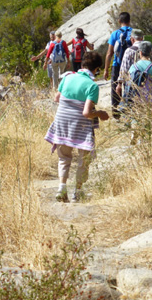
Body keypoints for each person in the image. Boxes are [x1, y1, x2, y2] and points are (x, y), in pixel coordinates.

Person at [45, 51, 110, 202]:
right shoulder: (92, 86)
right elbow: (87, 113)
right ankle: (78, 192)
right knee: (84, 160)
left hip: (62, 122)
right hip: (80, 126)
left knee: (64, 158)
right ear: (96, 69)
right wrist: (100, 113)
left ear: (82, 64)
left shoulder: (67, 78)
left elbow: (56, 98)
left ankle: (62, 188)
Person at [104, 12, 133, 118]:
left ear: (119, 21)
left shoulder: (115, 34)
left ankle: (116, 115)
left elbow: (109, 53)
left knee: (115, 89)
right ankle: (130, 113)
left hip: (117, 65)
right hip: (131, 66)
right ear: (129, 21)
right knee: (130, 89)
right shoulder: (134, 33)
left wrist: (106, 69)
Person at [116, 29, 152, 100]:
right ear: (142, 38)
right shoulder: (150, 49)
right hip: (150, 88)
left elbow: (124, 70)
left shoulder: (128, 51)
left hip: (134, 88)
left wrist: (119, 84)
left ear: (132, 39)